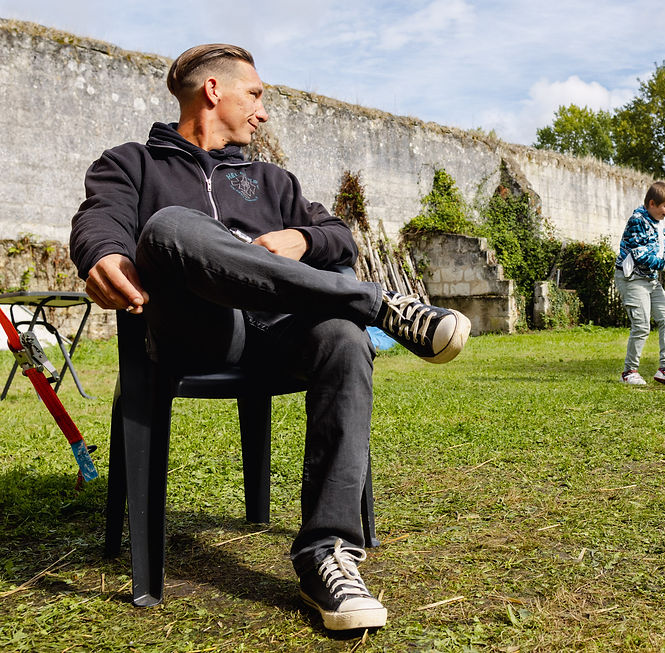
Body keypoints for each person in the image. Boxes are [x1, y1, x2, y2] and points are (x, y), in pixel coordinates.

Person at [69, 44, 471, 631]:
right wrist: (102, 253)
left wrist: (303, 241)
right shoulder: (132, 164)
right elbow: (98, 217)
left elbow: (339, 236)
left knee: (342, 338)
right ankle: (377, 304)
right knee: (170, 226)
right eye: (255, 95)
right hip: (191, 333)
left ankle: (327, 554)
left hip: (277, 335)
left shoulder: (272, 180)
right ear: (213, 91)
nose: (262, 111)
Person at [613, 181, 665, 386]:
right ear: (652, 203)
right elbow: (640, 256)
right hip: (632, 278)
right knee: (641, 325)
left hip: (650, 279)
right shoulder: (637, 220)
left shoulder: (662, 222)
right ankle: (629, 372)